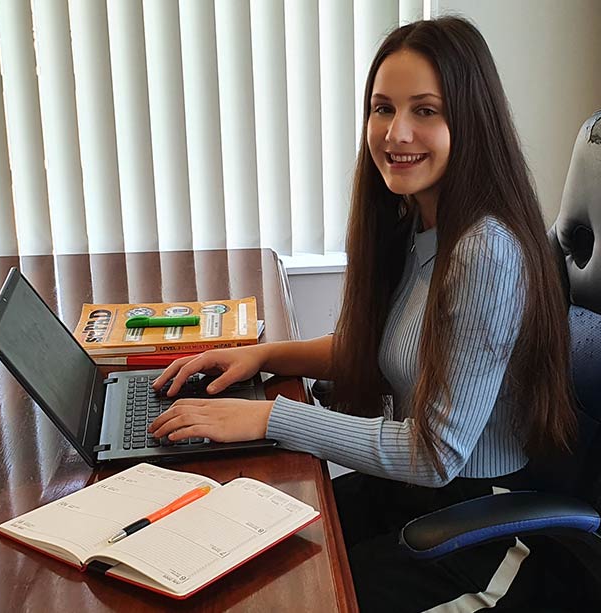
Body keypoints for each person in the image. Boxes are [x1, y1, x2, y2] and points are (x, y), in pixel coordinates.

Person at [150, 16, 576, 612]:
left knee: (273, 598)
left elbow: (434, 456)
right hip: (404, 494)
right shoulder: (421, 221)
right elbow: (382, 346)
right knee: (226, 551)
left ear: (470, 119)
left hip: (464, 523)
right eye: (382, 108)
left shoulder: (486, 251)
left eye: (425, 110)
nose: (396, 132)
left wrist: (269, 418)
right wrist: (265, 354)